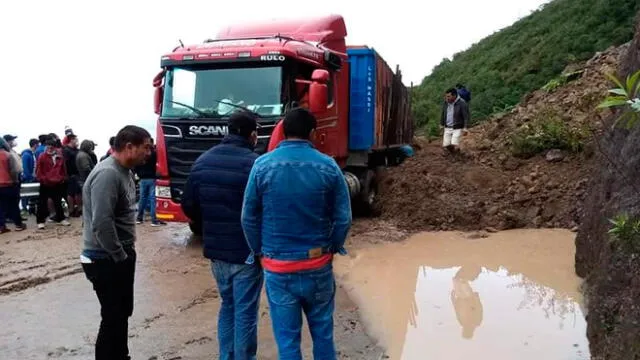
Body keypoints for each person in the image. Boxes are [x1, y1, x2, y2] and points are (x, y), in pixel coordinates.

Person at [242, 108, 352, 360]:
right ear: (313, 133)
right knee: (323, 335)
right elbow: (343, 218)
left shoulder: (262, 165)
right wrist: (333, 247)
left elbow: (248, 217)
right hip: (318, 265)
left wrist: (259, 251)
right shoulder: (329, 166)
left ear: (282, 132)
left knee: (288, 341)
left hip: (278, 268)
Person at [181, 112, 263, 360]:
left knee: (228, 306)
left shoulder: (203, 161)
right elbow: (265, 208)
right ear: (252, 135)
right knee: (245, 311)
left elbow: (188, 205)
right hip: (246, 252)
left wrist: (208, 226)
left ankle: (225, 356)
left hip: (216, 252)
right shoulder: (255, 163)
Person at [80, 125, 152, 360]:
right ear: (129, 147)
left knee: (122, 312)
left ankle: (121, 355)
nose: (148, 154)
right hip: (105, 257)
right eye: (146, 148)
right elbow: (101, 222)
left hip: (118, 254)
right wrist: (119, 255)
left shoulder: (126, 172)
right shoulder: (108, 174)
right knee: (112, 315)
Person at [36, 137, 70, 228]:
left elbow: (63, 170)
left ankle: (61, 218)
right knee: (42, 203)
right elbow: (39, 170)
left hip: (57, 183)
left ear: (55, 147)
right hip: (45, 183)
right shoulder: (42, 157)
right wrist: (43, 179)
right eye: (48, 147)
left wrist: (62, 178)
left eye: (52, 147)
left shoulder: (60, 157)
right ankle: (40, 221)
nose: (50, 149)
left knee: (58, 201)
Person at [134, 138, 165, 226]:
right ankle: (154, 220)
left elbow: (136, 165)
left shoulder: (141, 153)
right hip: (152, 178)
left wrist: (139, 174)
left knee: (142, 199)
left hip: (142, 179)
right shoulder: (155, 154)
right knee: (153, 199)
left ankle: (139, 218)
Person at [0, 136, 26, 233]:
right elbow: (15, 170)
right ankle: (18, 225)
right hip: (9, 184)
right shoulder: (8, 155)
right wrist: (15, 181)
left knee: (0, 207)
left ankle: (1, 226)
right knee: (14, 205)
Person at [440, 88, 470, 153]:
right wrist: (441, 124)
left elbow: (466, 116)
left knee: (454, 143)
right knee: (446, 145)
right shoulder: (445, 103)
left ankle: (458, 156)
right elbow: (443, 113)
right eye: (446, 96)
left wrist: (465, 127)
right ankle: (454, 153)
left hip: (457, 127)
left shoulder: (462, 103)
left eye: (448, 96)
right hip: (447, 127)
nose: (447, 98)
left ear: (454, 96)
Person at [63, 134, 82, 217]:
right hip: (70, 174)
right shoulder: (66, 150)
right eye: (75, 139)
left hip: (77, 173)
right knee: (70, 193)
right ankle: (71, 209)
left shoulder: (77, 150)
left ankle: (79, 208)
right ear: (71, 140)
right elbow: (65, 163)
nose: (76, 141)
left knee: (78, 192)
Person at [20, 138, 39, 214]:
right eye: (38, 144)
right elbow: (25, 168)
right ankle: (24, 209)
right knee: (25, 194)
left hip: (32, 177)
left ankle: (30, 209)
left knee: (32, 194)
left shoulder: (32, 154)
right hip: (28, 178)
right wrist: (29, 176)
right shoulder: (26, 155)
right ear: (35, 145)